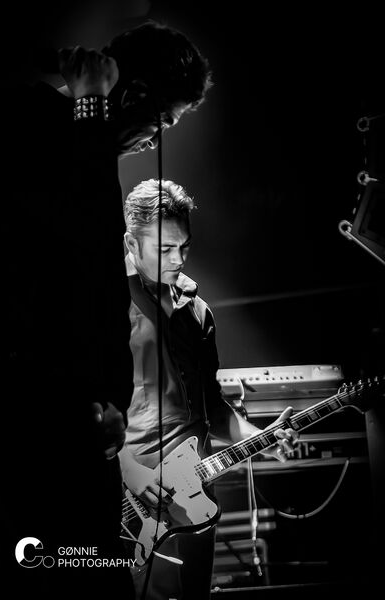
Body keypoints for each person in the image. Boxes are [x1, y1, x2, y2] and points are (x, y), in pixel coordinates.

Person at [0, 21, 212, 598]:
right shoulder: (43, 127)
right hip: (46, 427)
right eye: (161, 123)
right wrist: (90, 105)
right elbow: (75, 261)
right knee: (75, 575)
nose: (152, 142)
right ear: (133, 95)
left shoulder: (81, 145)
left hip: (79, 426)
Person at [120, 179, 299, 599]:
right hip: (133, 497)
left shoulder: (197, 310)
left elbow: (212, 409)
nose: (178, 259)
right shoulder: (104, 305)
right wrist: (128, 469)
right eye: (165, 248)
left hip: (197, 491)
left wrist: (262, 438)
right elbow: (80, 406)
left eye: (184, 246)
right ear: (131, 243)